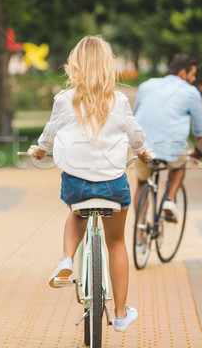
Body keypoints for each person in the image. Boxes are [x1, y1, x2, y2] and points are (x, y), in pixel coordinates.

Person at [29, 35, 152, 332]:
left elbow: (49, 133)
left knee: (76, 212)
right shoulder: (119, 101)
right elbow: (135, 136)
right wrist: (144, 152)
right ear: (108, 67)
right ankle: (121, 313)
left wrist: (40, 149)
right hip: (113, 185)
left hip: (77, 185)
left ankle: (66, 260)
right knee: (117, 242)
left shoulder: (64, 100)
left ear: (75, 66)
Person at [133, 54, 202, 223]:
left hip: (142, 146)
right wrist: (199, 151)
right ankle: (169, 200)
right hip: (171, 148)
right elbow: (200, 129)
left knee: (141, 183)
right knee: (179, 165)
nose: (194, 79)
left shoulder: (146, 85)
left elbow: (134, 116)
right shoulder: (191, 92)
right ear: (183, 72)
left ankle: (139, 231)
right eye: (193, 74)